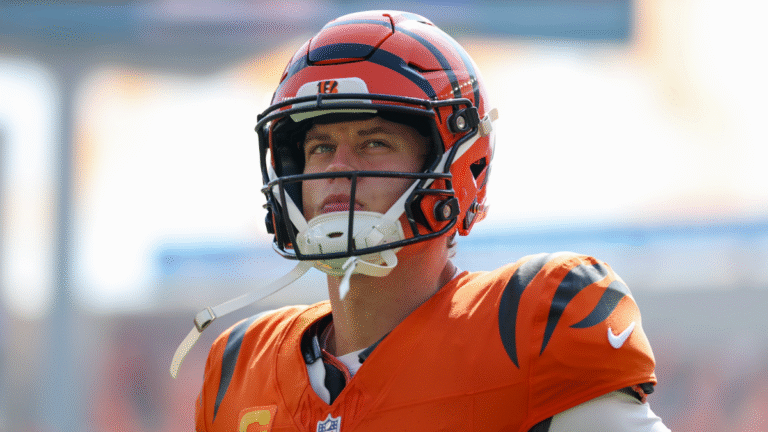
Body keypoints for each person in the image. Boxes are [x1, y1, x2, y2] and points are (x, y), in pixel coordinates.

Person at [171, 10, 670, 432]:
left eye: (374, 143)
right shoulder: (239, 366)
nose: (335, 171)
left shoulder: (528, 324)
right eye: (319, 147)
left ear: (457, 170)